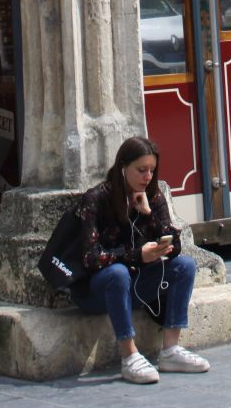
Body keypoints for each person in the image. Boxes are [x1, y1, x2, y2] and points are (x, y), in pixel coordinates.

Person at [71, 135, 210, 384]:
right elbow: (90, 258)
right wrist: (137, 255)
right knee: (118, 273)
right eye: (141, 170)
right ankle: (129, 356)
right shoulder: (97, 198)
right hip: (97, 291)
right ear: (123, 168)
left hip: (136, 285)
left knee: (185, 266)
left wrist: (148, 216)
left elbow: (175, 246)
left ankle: (170, 350)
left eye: (152, 170)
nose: (147, 176)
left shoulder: (152, 196)